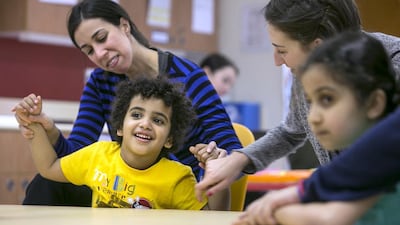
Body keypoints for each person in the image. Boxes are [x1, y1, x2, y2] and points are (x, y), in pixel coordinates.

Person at [12, 0, 241, 206]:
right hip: (124, 190)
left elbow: (233, 152)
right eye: (89, 50)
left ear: (124, 25)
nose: (100, 53)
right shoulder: (100, 82)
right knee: (48, 182)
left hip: (174, 195)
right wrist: (49, 130)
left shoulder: (188, 76)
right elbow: (79, 156)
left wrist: (212, 162)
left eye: (102, 38)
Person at [192, 0, 400, 200]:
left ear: (317, 47)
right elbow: (291, 130)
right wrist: (238, 160)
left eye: (282, 50)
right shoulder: (308, 69)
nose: (276, 61)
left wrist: (307, 191)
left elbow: (380, 159)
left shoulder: (393, 64)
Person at [232, 31, 400, 225]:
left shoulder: (376, 163)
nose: (313, 117)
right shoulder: (349, 166)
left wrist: (273, 212)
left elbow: (329, 219)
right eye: (310, 102)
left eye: (327, 99)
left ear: (373, 103)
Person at [16, 77, 229, 210]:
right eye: (136, 115)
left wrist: (216, 172)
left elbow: (213, 218)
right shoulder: (97, 155)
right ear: (119, 126)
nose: (145, 124)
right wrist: (34, 124)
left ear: (169, 139)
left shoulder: (177, 178)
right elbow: (48, 168)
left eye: (157, 120)